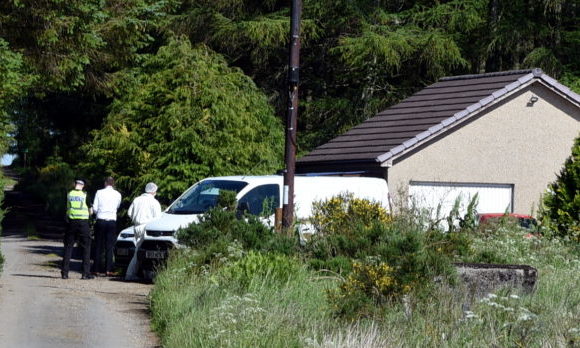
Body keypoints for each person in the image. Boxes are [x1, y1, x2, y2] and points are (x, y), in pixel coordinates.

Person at [125, 182, 162, 281]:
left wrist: (136, 219)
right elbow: (158, 218)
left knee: (139, 250)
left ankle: (143, 273)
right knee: (140, 252)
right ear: (154, 191)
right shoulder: (154, 202)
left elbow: (129, 213)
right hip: (147, 228)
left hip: (136, 227)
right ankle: (130, 274)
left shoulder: (137, 199)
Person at [62, 179, 93, 279]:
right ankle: (85, 273)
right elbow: (91, 211)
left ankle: (65, 273)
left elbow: (66, 208)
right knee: (86, 247)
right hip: (83, 223)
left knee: (68, 246)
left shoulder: (69, 194)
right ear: (83, 186)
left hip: (71, 222)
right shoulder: (85, 195)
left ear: (74, 184)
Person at [91, 176, 122, 276]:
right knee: (109, 246)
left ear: (105, 183)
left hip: (100, 220)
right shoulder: (118, 194)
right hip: (112, 221)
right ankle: (108, 269)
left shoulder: (99, 192)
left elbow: (95, 208)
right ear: (113, 184)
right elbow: (117, 206)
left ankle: (96, 269)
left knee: (98, 245)